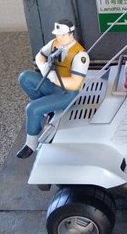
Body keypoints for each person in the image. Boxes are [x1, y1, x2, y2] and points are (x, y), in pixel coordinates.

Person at [16, 20, 89, 158]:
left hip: (67, 93)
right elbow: (39, 56)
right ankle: (47, 110)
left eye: (62, 35)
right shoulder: (55, 43)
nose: (59, 37)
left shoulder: (80, 55)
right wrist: (44, 67)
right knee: (25, 77)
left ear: (71, 34)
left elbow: (76, 83)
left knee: (32, 108)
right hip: (51, 84)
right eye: (57, 34)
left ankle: (31, 144)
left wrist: (55, 78)